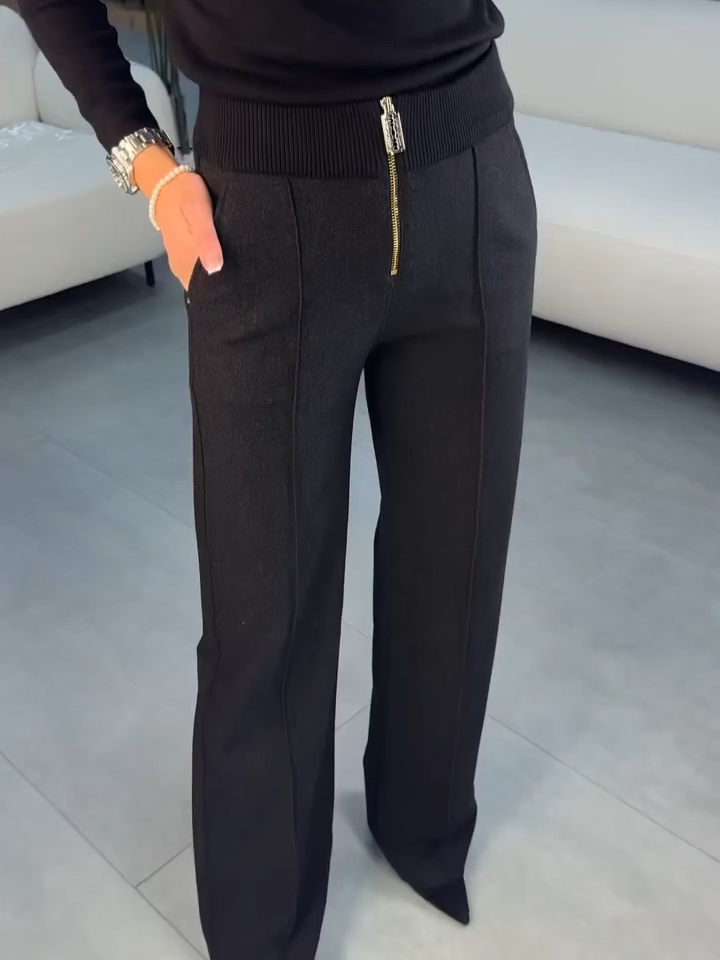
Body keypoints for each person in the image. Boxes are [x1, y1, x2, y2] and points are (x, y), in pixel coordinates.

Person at [16, 1, 537, 956]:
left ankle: (423, 828)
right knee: (263, 609)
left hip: (471, 175)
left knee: (456, 562)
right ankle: (262, 931)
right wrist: (144, 157)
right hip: (262, 216)